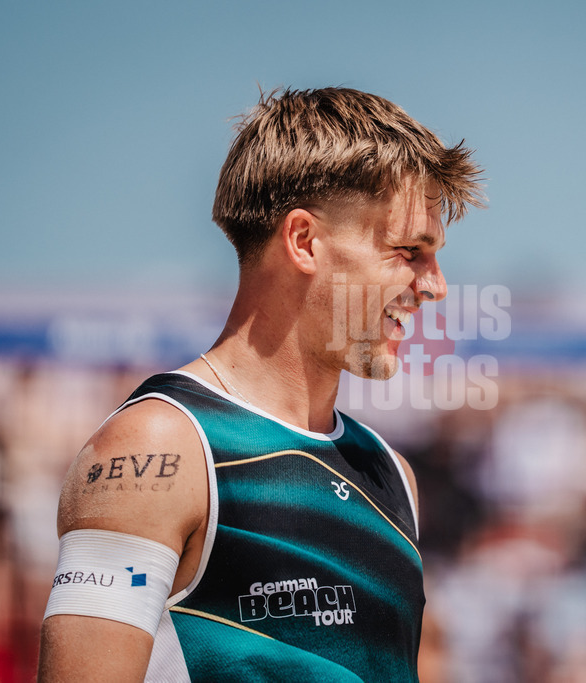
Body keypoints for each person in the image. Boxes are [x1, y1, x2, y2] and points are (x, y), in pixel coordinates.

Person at [37, 86, 483, 682]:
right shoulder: (158, 447)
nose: (434, 286)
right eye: (409, 251)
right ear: (303, 241)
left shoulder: (390, 472)